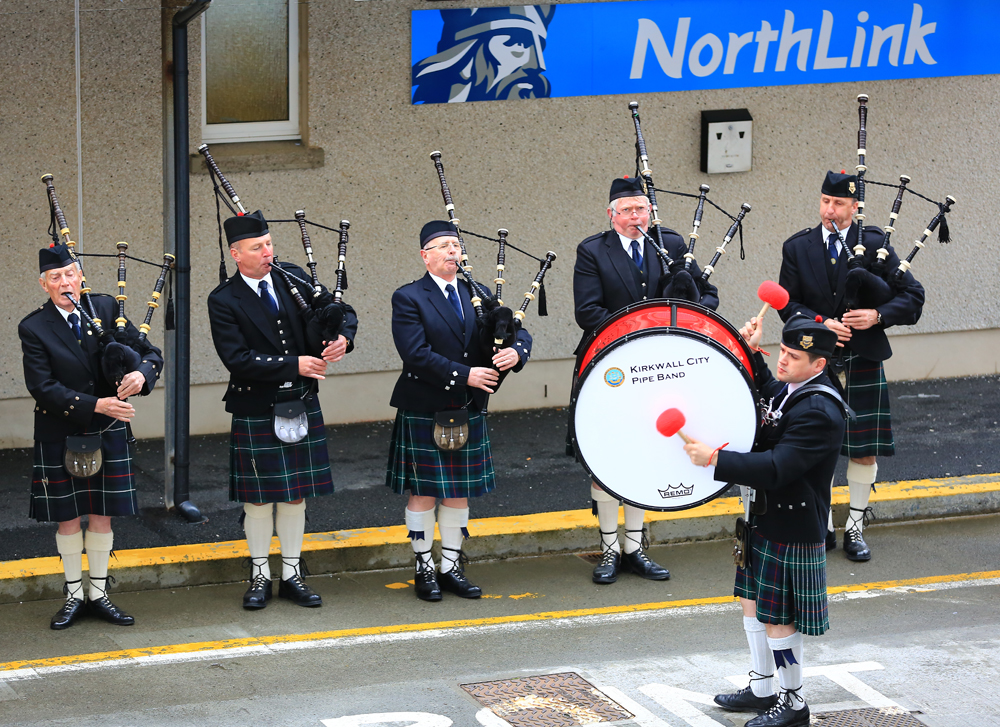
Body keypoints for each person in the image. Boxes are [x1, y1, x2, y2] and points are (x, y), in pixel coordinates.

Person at [684, 314, 848, 727]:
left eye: (793, 357)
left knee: (779, 618)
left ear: (819, 365)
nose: (783, 361)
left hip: (792, 526)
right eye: (782, 351)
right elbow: (768, 390)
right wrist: (752, 351)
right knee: (752, 602)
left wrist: (716, 460)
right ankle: (762, 688)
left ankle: (793, 703)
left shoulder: (819, 410)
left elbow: (778, 467)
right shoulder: (795, 388)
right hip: (763, 516)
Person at [207, 210, 358, 610]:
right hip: (257, 403)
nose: (267, 252)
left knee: (294, 496)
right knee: (258, 499)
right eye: (257, 247)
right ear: (236, 254)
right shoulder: (223, 299)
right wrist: (295, 364)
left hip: (301, 400)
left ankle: (291, 573)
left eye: (269, 243)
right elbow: (236, 358)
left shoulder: (293, 276)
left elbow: (340, 311)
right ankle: (259, 575)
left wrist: (343, 337)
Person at [572, 176, 718, 584]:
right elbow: (588, 311)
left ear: (650, 211)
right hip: (609, 366)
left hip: (659, 368)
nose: (635, 217)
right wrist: (643, 327)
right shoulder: (591, 251)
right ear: (611, 215)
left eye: (641, 209)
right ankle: (607, 550)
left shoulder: (670, 244)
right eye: (626, 210)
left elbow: (708, 296)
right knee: (605, 458)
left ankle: (634, 548)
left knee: (643, 452)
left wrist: (683, 310)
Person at [778, 171, 924, 561]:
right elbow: (786, 304)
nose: (830, 210)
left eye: (839, 203)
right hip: (816, 362)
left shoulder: (876, 244)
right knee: (814, 447)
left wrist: (878, 314)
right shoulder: (798, 248)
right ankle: (821, 524)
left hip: (862, 359)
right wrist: (820, 322)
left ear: (855, 206)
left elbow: (912, 296)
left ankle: (856, 527)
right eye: (825, 201)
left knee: (862, 450)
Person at [386, 221, 531, 601]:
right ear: (425, 255)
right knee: (424, 492)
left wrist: (518, 352)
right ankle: (423, 566)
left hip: (467, 408)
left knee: (458, 494)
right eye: (443, 246)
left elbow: (516, 328)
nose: (453, 251)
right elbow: (414, 354)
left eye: (456, 245)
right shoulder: (409, 297)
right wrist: (465, 374)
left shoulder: (478, 293)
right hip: (426, 405)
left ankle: (450, 565)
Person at [20, 244, 163, 630]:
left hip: (107, 431)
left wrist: (142, 375)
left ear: (81, 275)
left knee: (101, 517)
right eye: (55, 277)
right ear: (44, 284)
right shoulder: (34, 327)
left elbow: (150, 354)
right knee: (67, 520)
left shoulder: (105, 309)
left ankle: (98, 594)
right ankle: (72, 597)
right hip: (61, 431)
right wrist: (97, 404)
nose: (65, 282)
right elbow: (43, 387)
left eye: (70, 274)